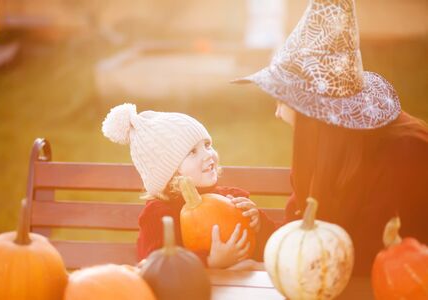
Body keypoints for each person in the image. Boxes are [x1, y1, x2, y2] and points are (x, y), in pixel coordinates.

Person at [234, 0, 428, 275]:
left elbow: (373, 257)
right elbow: (310, 241)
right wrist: (262, 230)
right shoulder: (322, 152)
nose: (277, 113)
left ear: (314, 113)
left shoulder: (407, 154)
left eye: (282, 99)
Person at [101, 103, 273, 269]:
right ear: (170, 173)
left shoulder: (231, 199)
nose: (208, 155)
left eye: (207, 145)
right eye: (192, 152)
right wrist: (210, 262)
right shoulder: (160, 215)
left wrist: (259, 226)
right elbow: (157, 266)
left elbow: (270, 250)